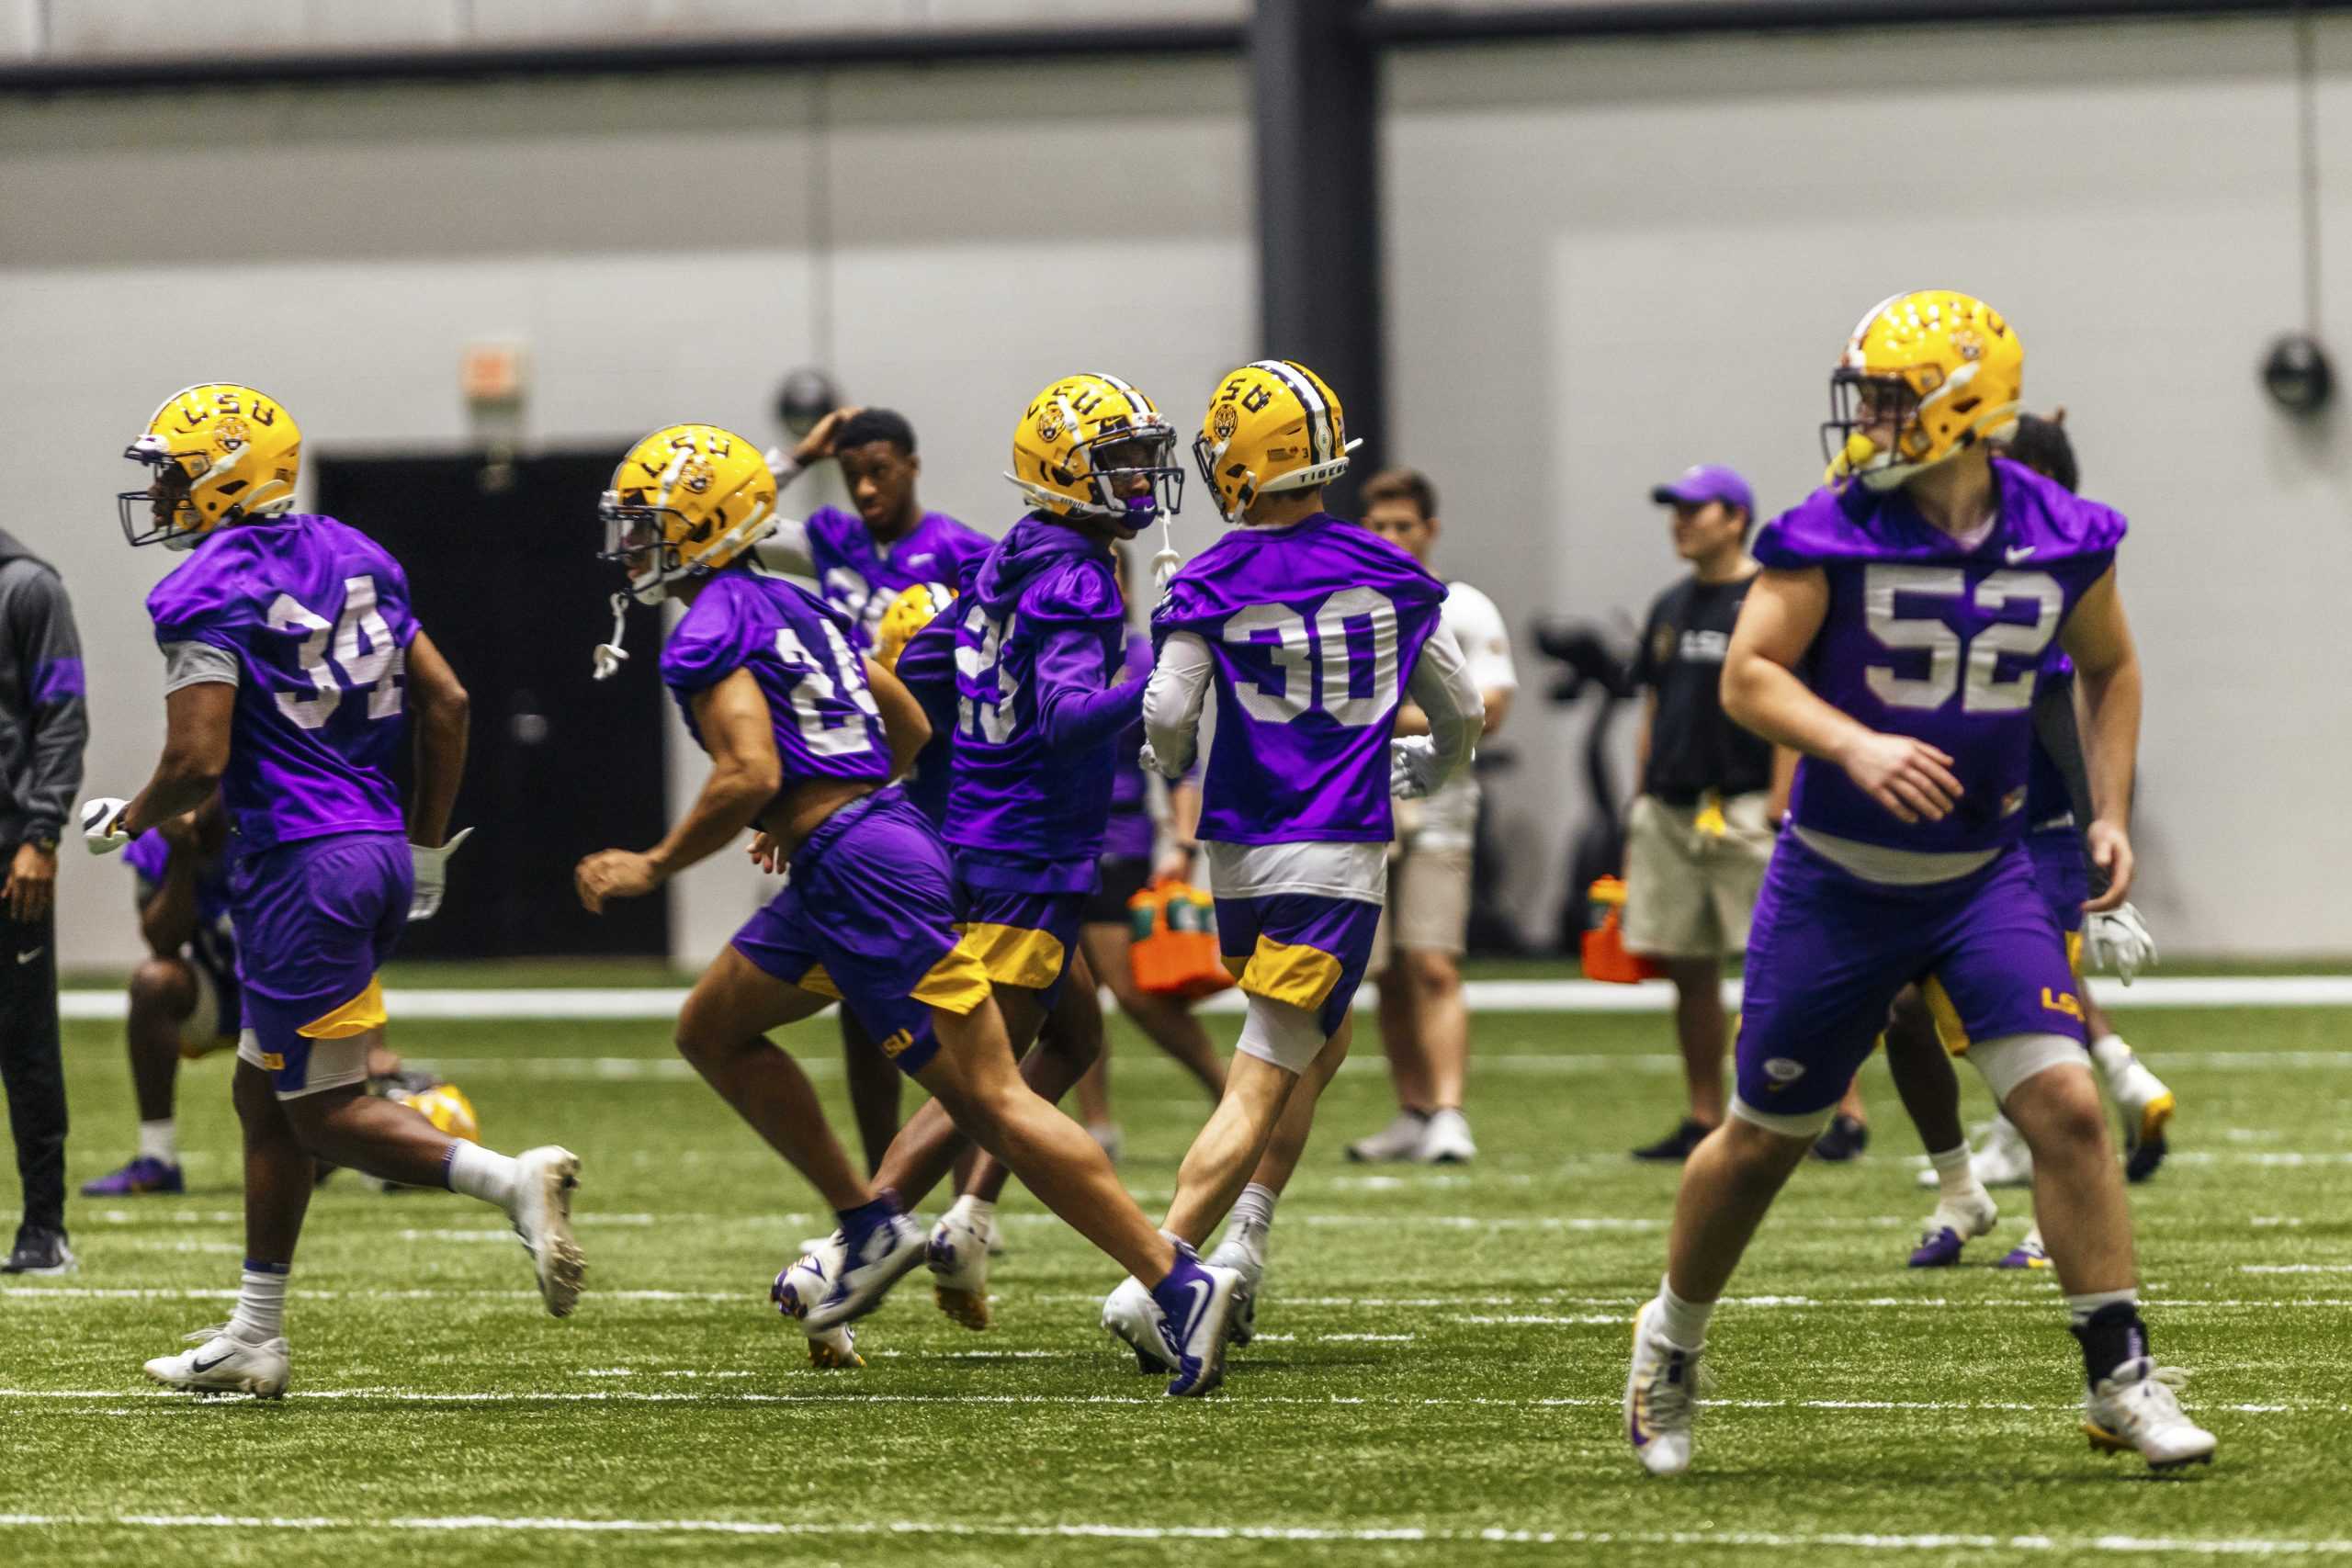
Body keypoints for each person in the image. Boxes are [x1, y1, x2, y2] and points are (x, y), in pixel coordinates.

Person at [1621, 295, 2213, 1476]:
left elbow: (2112, 664)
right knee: (1761, 1141)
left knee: (2068, 1110)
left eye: (1894, 397)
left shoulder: (2061, 530)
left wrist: (2107, 809)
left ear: (1966, 402)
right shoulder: (1830, 527)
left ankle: (2120, 1382)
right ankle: (1668, 1341)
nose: (1872, 420)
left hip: (1983, 876)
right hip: (1837, 881)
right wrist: (1852, 744)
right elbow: (1751, 676)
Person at [577, 414, 1240, 1396]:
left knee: (994, 1100)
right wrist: (846, 791)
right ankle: (866, 1220)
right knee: (712, 1028)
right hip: (859, 852)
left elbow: (747, 766)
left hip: (864, 872)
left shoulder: (710, 625)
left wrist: (657, 865)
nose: (633, 545)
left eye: (651, 523)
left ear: (706, 529)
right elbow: (905, 710)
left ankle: (1172, 1282)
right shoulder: (789, 601)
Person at [85, 383, 582, 1397]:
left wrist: (129, 818)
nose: (165, 496)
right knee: (261, 1092)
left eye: (177, 475)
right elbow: (447, 701)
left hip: (297, 870)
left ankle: (508, 1181)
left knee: (320, 1113)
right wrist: (428, 848)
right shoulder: (359, 555)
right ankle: (255, 1333)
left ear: (230, 476)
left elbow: (196, 756)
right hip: (370, 853)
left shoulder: (204, 587)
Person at [1102, 362, 1481, 1368]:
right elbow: (1463, 710)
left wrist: (1169, 763)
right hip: (1334, 852)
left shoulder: (1215, 576)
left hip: (1237, 851)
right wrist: (1431, 766)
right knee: (1268, 1066)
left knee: (1320, 1040)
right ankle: (1166, 1271)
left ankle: (1246, 1246)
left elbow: (1170, 713)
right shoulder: (1386, 569)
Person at [1888, 412, 2175, 1270]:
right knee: (1901, 1012)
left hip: (2034, 840)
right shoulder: (1936, 559)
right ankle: (1961, 1188)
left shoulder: (2047, 576)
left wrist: (2101, 842)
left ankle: (2064, 1212)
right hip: (1945, 836)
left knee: (2021, 1024)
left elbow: (2076, 710)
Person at [759, 408, 994, 1178]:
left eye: (880, 469)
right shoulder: (831, 538)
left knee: (952, 994)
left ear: (913, 465)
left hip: (944, 785)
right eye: (852, 470)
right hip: (856, 789)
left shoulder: (963, 551)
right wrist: (798, 455)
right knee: (861, 1002)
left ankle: (964, 1194)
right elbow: (735, 522)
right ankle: (878, 1181)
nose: (865, 486)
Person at [1614, 466, 1806, 1165]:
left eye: (1696, 509)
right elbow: (1654, 709)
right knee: (1688, 969)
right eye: (1676, 510)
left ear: (1736, 518)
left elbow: (1794, 700)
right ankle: (1703, 1112)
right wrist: (1639, 799)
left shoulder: (1768, 596)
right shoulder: (1671, 604)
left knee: (1782, 965)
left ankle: (1827, 1110)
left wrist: (1786, 799)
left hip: (1749, 804)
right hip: (1673, 809)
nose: (1681, 521)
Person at [1342, 468, 1517, 1166]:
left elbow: (1489, 711)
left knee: (1433, 960)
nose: (1389, 538)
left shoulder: (1462, 605)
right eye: (1377, 526)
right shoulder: (1348, 604)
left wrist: (1386, 716)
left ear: (1429, 529)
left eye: (1402, 526)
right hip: (1363, 795)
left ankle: (1449, 1110)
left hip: (1438, 792)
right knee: (1380, 967)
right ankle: (1413, 1108)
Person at [1071, 546, 1227, 1163]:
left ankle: (1225, 1087)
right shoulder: (1053, 651)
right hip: (1058, 843)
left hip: (1120, 840)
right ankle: (1097, 1123)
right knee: (1071, 994)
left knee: (1134, 990)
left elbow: (1182, 759)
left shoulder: (1141, 656)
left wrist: (1183, 845)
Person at [0, 523, 86, 1274]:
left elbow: (62, 719)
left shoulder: (29, 588)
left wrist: (42, 833)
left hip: (9, 851)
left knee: (24, 1043)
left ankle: (45, 1228)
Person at [80, 801, 238, 1196]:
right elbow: (162, 940)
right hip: (222, 992)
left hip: (291, 991)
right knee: (155, 982)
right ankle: (158, 1157)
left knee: (314, 1151)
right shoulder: (158, 834)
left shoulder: (280, 816)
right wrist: (183, 855)